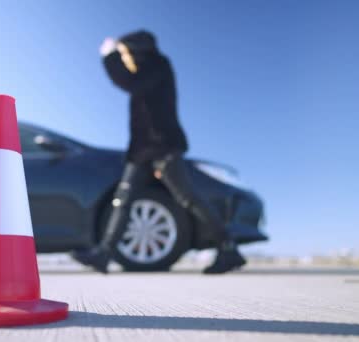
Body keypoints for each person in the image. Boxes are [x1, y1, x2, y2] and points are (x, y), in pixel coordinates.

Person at [72, 30, 246, 274]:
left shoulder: (157, 65)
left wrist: (110, 56)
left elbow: (128, 83)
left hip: (162, 145)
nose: (125, 57)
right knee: (123, 199)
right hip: (142, 151)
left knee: (186, 197)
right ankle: (104, 253)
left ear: (138, 49)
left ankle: (228, 249)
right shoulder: (146, 69)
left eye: (126, 52)